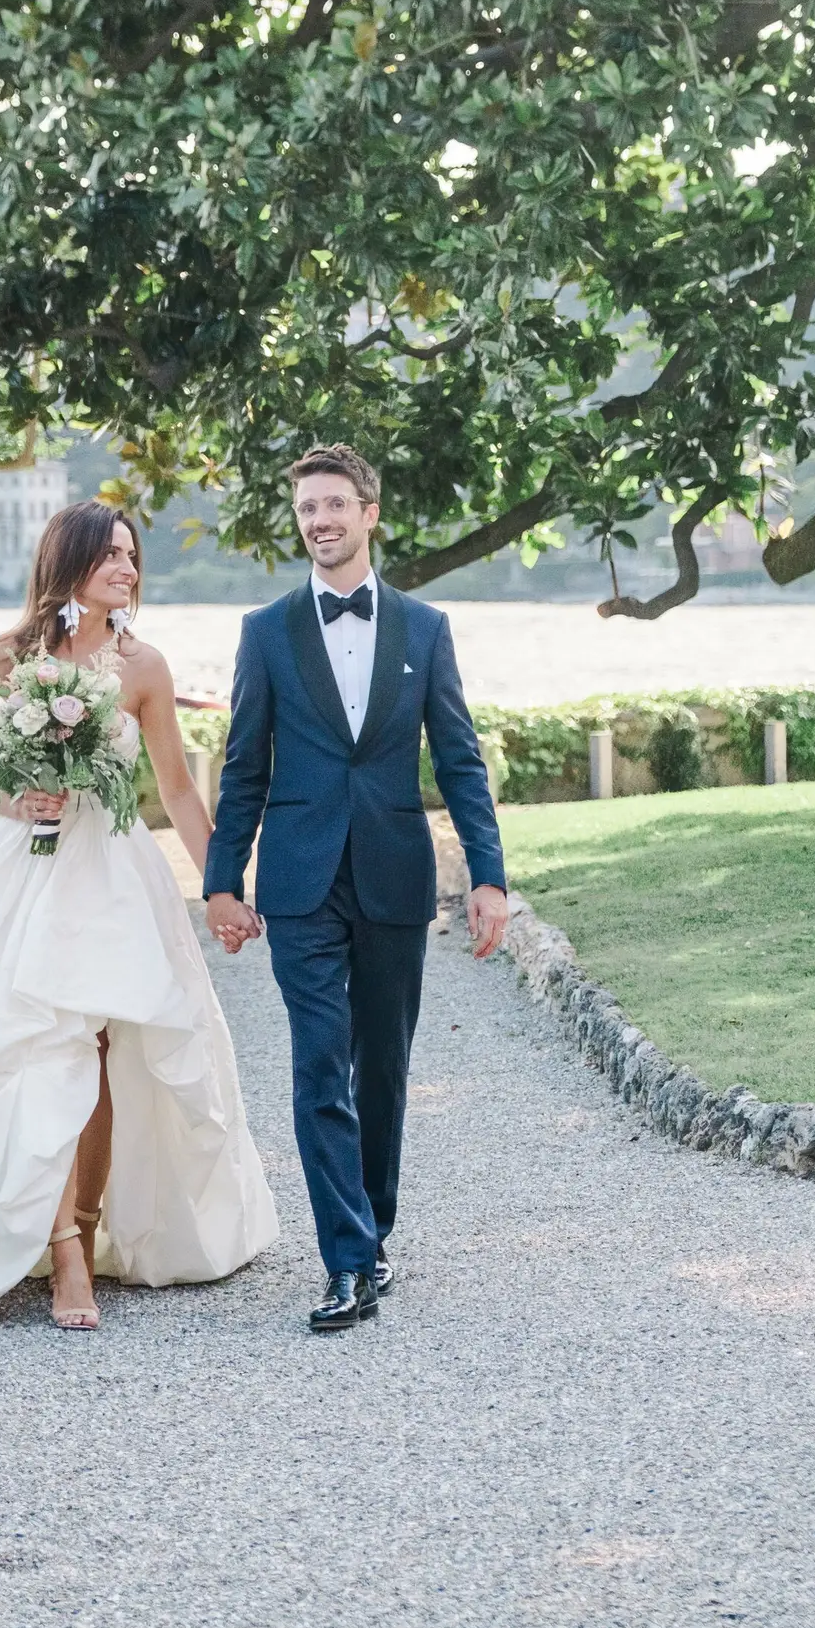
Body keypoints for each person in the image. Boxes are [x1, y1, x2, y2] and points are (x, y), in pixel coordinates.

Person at [0, 499, 277, 1330]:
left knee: (103, 1046)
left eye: (132, 556)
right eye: (112, 555)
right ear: (69, 563)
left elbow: (176, 789)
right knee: (38, 1049)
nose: (127, 569)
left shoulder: (144, 666)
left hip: (111, 870)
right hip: (18, 869)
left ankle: (84, 1234)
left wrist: (224, 885)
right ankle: (59, 1254)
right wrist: (18, 803)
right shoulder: (5, 657)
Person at [204, 444, 507, 1331]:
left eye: (335, 505)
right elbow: (243, 768)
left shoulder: (426, 629)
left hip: (393, 876)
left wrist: (488, 877)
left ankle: (373, 1231)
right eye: (307, 509)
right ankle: (344, 1260)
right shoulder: (266, 632)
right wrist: (223, 881)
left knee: (384, 1065)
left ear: (370, 513)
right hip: (297, 882)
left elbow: (460, 761)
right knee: (317, 1064)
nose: (321, 521)